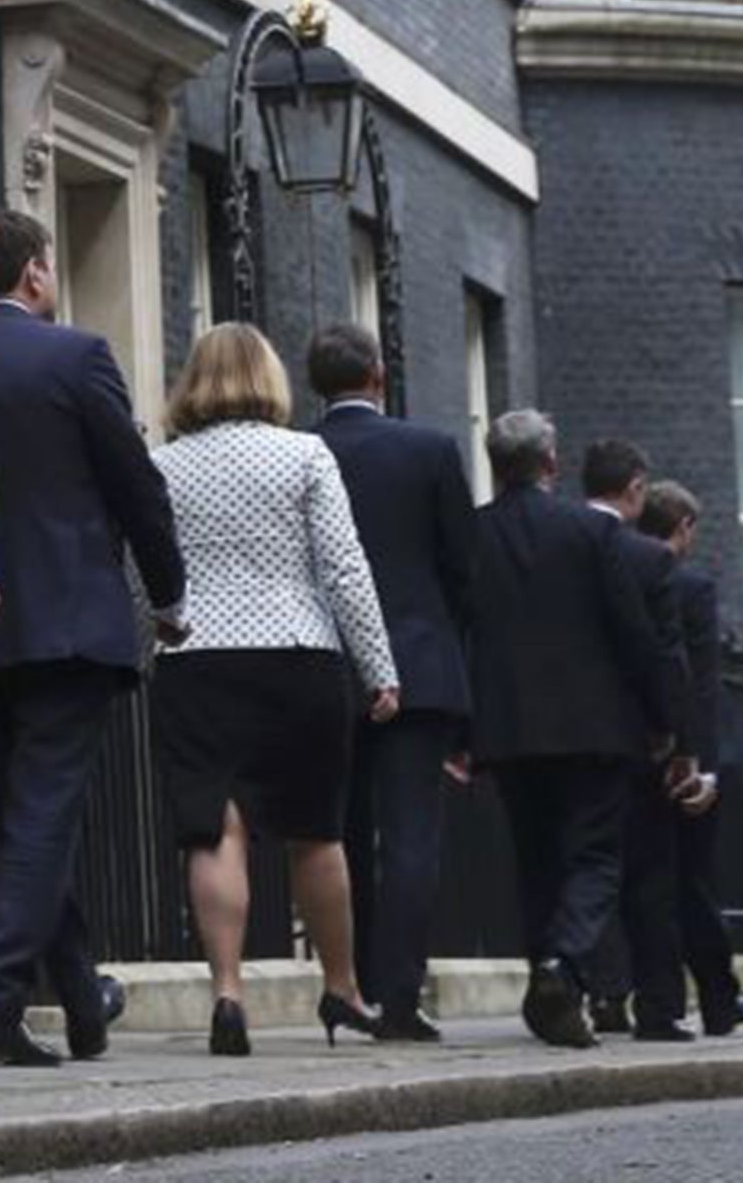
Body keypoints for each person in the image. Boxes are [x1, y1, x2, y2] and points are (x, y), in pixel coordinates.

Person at [0, 210, 188, 1066]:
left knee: (23, 816)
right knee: (42, 816)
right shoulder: (76, 356)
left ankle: (83, 999)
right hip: (72, 623)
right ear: (36, 275)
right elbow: (134, 482)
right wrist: (168, 594)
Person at [149, 323, 400, 1057]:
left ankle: (228, 995)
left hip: (196, 657)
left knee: (213, 828)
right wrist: (379, 668)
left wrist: (149, 644)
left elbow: (144, 567)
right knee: (316, 833)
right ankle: (343, 987)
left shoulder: (162, 465)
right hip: (299, 655)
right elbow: (345, 569)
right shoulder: (305, 454)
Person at [463, 412, 678, 1050]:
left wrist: (462, 729)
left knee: (535, 862)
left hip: (509, 729)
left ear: (497, 465)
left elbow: (462, 630)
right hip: (595, 728)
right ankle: (562, 965)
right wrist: (663, 720)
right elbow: (633, 633)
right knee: (594, 858)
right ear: (551, 463)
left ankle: (550, 988)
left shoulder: (473, 534)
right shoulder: (591, 531)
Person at [307, 323, 476, 1043]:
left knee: (336, 836)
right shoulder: (430, 450)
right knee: (410, 839)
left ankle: (354, 985)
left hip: (327, 667)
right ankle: (401, 997)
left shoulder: (301, 452)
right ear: (378, 375)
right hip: (418, 667)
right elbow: (464, 570)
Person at [580, 439, 700, 1042]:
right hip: (636, 740)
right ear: (634, 490)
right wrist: (676, 741)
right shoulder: (651, 562)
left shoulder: (561, 545)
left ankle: (603, 992)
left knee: (588, 869)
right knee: (649, 878)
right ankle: (658, 1005)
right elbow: (665, 660)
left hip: (572, 737)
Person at [637, 480, 743, 1037]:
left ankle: (653, 1001)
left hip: (629, 753)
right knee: (695, 884)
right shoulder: (690, 585)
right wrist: (703, 764)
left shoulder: (615, 574)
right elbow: (704, 685)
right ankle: (718, 997)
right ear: (684, 527)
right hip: (682, 759)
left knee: (646, 883)